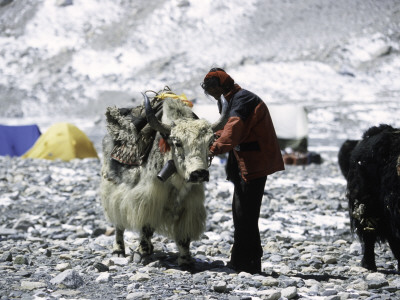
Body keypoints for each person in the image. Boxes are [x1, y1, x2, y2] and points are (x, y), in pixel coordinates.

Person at [201, 68, 284, 274]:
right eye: (209, 90)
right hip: (243, 163)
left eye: (213, 88)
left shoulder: (243, 99)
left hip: (254, 163)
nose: (212, 93)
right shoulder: (228, 99)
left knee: (247, 214)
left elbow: (234, 129)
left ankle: (250, 263)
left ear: (223, 85)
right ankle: (240, 260)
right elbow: (226, 128)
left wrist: (212, 148)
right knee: (240, 214)